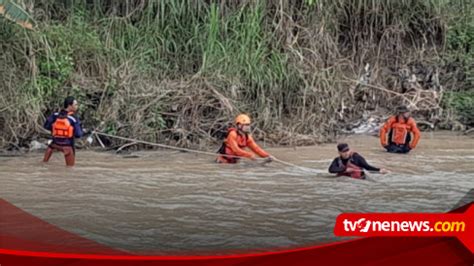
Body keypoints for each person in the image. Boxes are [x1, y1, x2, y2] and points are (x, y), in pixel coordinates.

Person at [43, 96, 84, 166]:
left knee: (44, 163)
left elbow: (46, 126)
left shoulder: (55, 115)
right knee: (70, 168)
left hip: (54, 144)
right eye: (75, 105)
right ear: (69, 106)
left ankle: (44, 162)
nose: (77, 106)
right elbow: (78, 134)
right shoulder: (74, 118)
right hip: (67, 146)